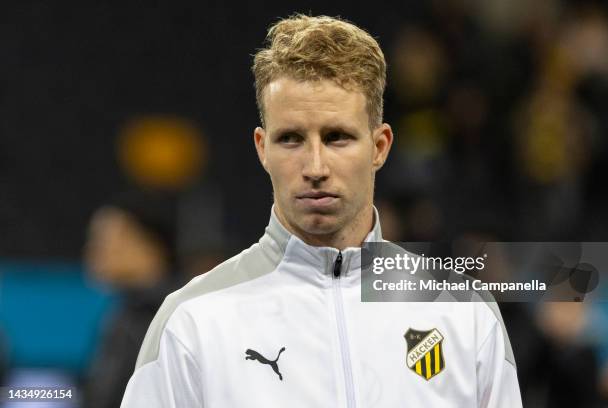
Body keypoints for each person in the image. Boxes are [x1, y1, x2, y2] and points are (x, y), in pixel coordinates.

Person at [121, 14, 522, 407]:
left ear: (379, 146)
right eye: (291, 139)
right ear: (262, 148)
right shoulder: (192, 321)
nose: (315, 168)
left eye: (337, 138)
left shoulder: (463, 314)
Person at [83, 191, 181, 408]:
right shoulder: (128, 312)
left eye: (105, 241)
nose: (94, 250)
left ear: (149, 246)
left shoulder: (168, 315)